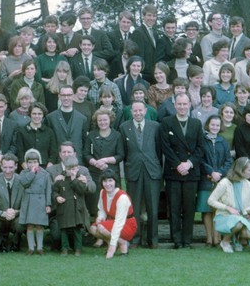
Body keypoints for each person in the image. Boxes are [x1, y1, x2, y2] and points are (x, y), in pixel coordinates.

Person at [159, 93, 204, 249]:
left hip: (191, 173)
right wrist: (178, 164)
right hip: (173, 172)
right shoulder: (166, 122)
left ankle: (187, 240)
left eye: (185, 104)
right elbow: (166, 147)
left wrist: (189, 164)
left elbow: (200, 148)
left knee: (189, 207)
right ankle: (177, 240)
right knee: (174, 207)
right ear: (174, 105)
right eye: (179, 104)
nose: (182, 107)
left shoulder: (196, 124)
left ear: (190, 104)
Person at [120, 101, 162, 248]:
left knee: (153, 208)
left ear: (145, 111)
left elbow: (159, 149)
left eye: (140, 110)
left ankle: (153, 240)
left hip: (152, 170)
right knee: (134, 208)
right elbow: (124, 152)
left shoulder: (155, 126)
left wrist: (157, 166)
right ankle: (135, 238)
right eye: (135, 111)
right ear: (131, 112)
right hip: (133, 171)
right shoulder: (124, 127)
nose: (138, 113)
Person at [208, 157, 250, 253]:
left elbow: (247, 206)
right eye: (249, 170)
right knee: (239, 223)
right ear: (241, 170)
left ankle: (237, 241)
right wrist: (227, 208)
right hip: (223, 216)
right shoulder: (224, 183)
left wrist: (247, 214)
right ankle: (225, 241)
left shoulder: (248, 184)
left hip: (240, 217)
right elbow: (210, 200)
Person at [200, 115, 233, 247]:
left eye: (217, 125)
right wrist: (210, 172)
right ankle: (209, 237)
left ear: (220, 127)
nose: (215, 127)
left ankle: (216, 237)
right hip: (206, 179)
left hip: (220, 180)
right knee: (206, 209)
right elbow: (200, 159)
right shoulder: (202, 141)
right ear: (208, 125)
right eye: (212, 124)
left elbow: (228, 160)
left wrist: (220, 173)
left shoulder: (223, 141)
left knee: (217, 209)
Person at [89, 169, 138, 258]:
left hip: (127, 224)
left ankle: (122, 245)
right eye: (105, 181)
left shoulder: (122, 197)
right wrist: (101, 217)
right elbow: (102, 209)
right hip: (112, 222)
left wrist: (111, 249)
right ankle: (114, 242)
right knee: (93, 228)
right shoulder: (102, 192)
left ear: (115, 181)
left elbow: (119, 223)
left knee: (101, 228)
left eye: (110, 180)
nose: (107, 184)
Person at [85, 108, 125, 215]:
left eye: (105, 120)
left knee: (113, 203)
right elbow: (86, 154)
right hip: (95, 173)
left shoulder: (117, 135)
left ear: (110, 120)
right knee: (95, 204)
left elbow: (120, 155)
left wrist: (105, 160)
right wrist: (96, 163)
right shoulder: (92, 135)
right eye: (100, 120)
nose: (102, 122)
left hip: (112, 173)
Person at [0, 154, 25, 253]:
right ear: (1, 166)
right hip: (0, 217)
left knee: (22, 220)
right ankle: (0, 243)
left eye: (11, 167)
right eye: (5, 167)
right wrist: (3, 213)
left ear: (16, 166)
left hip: (16, 217)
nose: (8, 171)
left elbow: (26, 206)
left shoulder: (23, 181)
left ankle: (15, 243)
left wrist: (15, 212)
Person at [16, 149, 52, 255]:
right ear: (26, 163)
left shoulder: (45, 174)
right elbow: (24, 183)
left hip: (41, 201)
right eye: (30, 162)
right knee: (30, 225)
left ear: (39, 162)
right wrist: (32, 173)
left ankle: (40, 247)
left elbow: (48, 190)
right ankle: (31, 248)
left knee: (40, 225)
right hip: (29, 200)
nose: (32, 164)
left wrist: (48, 204)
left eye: (35, 162)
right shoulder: (24, 173)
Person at [52, 156, 90, 256]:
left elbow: (81, 190)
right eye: (69, 169)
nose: (71, 171)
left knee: (77, 230)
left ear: (77, 168)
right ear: (65, 168)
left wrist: (74, 179)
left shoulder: (81, 179)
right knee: (63, 230)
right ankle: (64, 248)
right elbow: (54, 191)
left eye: (73, 169)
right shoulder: (60, 179)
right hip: (64, 209)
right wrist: (57, 197)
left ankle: (78, 249)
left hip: (76, 210)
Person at [45, 85, 87, 163]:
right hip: (57, 161)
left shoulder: (82, 118)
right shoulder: (50, 118)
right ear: (59, 96)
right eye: (63, 95)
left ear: (73, 96)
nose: (66, 98)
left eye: (69, 95)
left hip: (77, 161)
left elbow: (84, 142)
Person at [16, 103, 57, 168]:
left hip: (45, 168)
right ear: (30, 114)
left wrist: (48, 169)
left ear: (43, 115)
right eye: (34, 113)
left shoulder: (49, 132)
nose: (37, 116)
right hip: (27, 168)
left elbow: (53, 153)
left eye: (39, 114)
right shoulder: (22, 131)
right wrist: (27, 169)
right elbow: (20, 153)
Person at [130, 4, 159, 83]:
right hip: (143, 75)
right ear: (143, 16)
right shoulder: (138, 32)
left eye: (154, 16)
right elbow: (138, 57)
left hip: (153, 74)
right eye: (149, 15)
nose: (152, 18)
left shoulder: (155, 33)